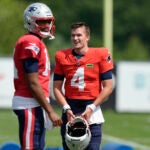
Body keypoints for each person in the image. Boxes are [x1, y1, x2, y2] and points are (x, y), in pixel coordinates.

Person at [53, 22, 114, 150]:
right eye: (73, 35)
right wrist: (66, 108)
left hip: (92, 108)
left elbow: (108, 86)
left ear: (87, 37)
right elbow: (56, 88)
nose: (75, 38)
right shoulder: (62, 56)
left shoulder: (100, 54)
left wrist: (91, 107)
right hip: (70, 109)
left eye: (79, 35)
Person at [12, 2, 62, 150]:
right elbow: (33, 83)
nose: (47, 25)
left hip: (34, 104)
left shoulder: (36, 41)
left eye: (48, 21)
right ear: (30, 21)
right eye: (42, 22)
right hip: (29, 103)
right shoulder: (30, 41)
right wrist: (50, 111)